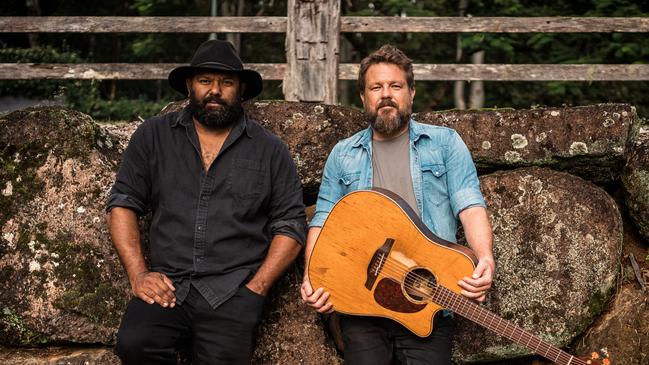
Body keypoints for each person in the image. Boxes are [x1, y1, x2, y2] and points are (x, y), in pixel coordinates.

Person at [107, 40, 306, 364]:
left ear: (240, 89)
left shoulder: (270, 150)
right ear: (189, 85)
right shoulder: (153, 136)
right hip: (168, 285)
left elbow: (291, 224)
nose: (215, 90)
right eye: (205, 81)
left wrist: (258, 287)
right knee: (134, 343)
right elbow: (122, 204)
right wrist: (139, 275)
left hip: (232, 292)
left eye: (226, 82)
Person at [300, 44, 494, 365]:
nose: (386, 94)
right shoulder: (343, 154)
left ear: (411, 93)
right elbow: (322, 220)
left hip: (427, 301)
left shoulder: (445, 143)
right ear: (363, 97)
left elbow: (469, 204)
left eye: (395, 86)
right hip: (361, 303)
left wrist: (484, 257)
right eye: (376, 87)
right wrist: (313, 276)